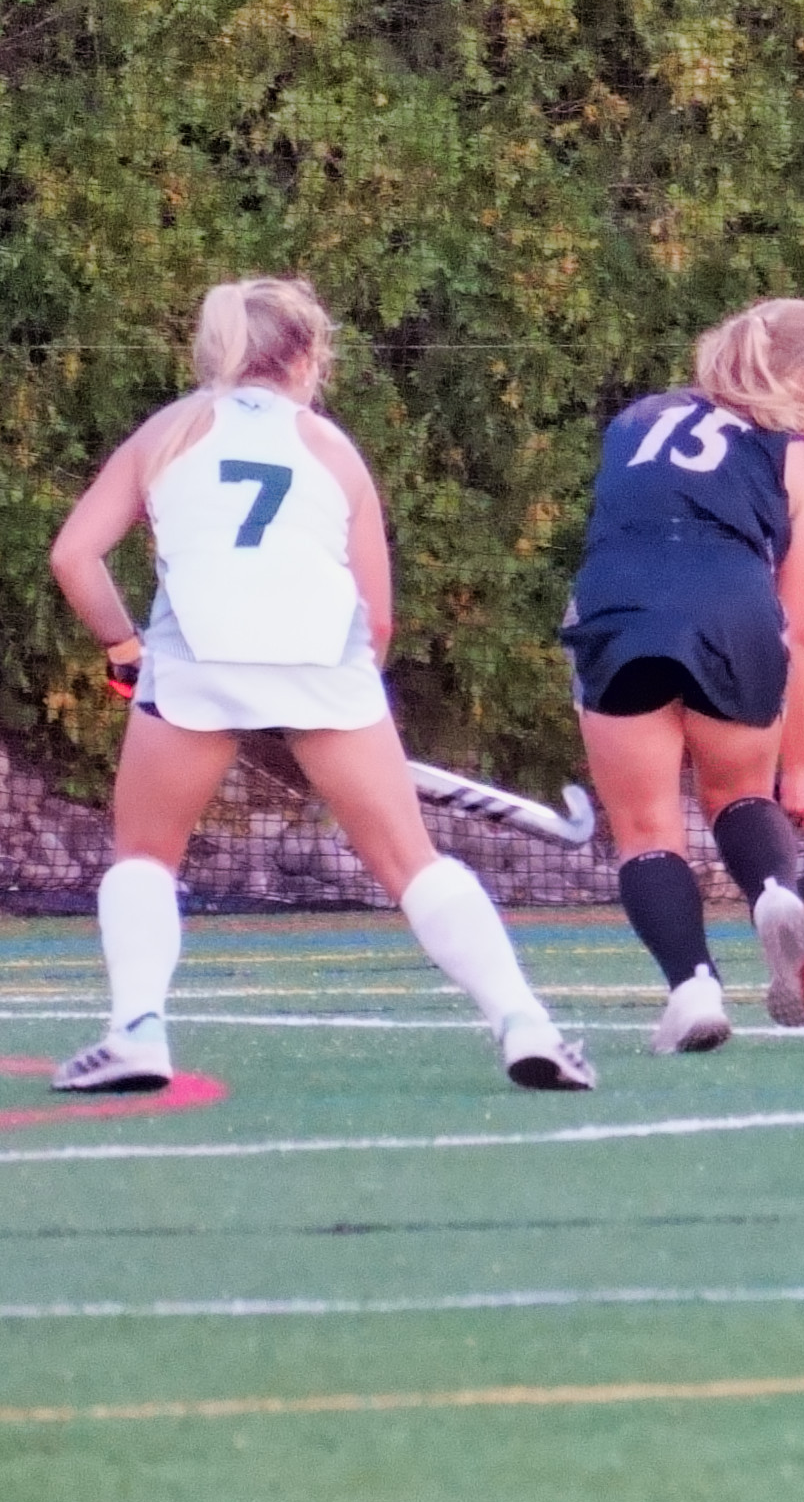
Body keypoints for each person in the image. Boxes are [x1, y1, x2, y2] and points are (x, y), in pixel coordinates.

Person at [47, 278, 592, 1094]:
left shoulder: (169, 430)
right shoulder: (333, 448)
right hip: (324, 664)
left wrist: (124, 649)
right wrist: (339, 711)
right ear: (302, 356)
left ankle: (136, 1031)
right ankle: (525, 1024)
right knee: (414, 863)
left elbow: (73, 556)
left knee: (144, 857)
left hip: (193, 657)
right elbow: (375, 618)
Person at [561, 300, 804, 1053]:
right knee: (738, 794)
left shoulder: (635, 418)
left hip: (619, 604)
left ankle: (692, 989)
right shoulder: (799, 467)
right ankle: (774, 893)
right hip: (732, 611)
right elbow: (800, 632)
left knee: (647, 828)